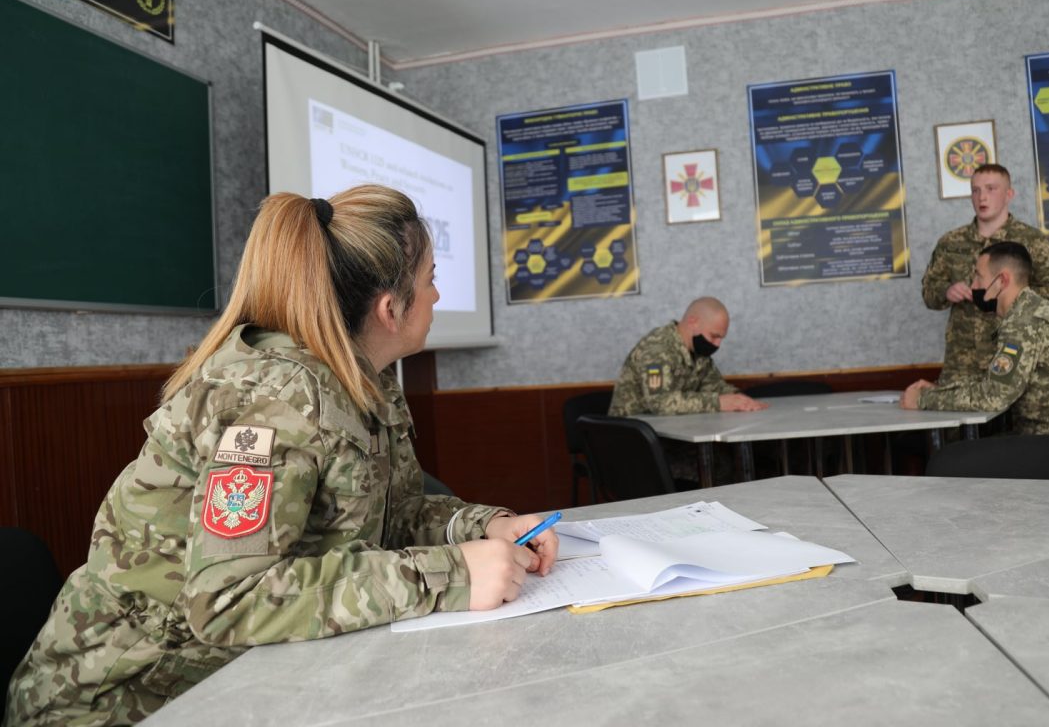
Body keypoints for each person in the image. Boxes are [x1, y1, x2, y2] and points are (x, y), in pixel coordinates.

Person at [5, 185, 558, 726]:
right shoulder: (275, 401)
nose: (437, 296)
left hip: (243, 680)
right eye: (431, 280)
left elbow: (390, 516)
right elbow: (227, 600)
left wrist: (483, 527)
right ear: (391, 309)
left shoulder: (361, 379)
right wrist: (448, 575)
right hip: (128, 700)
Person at [901, 241, 1049, 441]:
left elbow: (994, 396)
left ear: (1002, 281)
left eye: (979, 276)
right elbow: (997, 381)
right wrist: (941, 390)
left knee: (964, 459)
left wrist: (922, 399)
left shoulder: (1024, 322)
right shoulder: (1027, 310)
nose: (973, 286)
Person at [922, 163, 1049, 383]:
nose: (982, 197)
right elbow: (929, 293)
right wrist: (946, 291)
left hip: (1016, 354)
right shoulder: (950, 242)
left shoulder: (1034, 242)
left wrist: (1010, 296)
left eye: (991, 189)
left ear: (1009, 194)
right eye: (976, 190)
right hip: (963, 363)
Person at [609, 297, 766, 418]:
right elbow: (661, 403)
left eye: (721, 338)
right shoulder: (657, 349)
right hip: (633, 436)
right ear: (693, 322)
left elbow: (715, 387)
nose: (717, 344)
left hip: (670, 431)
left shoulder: (699, 351)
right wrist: (718, 402)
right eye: (714, 336)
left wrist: (741, 400)